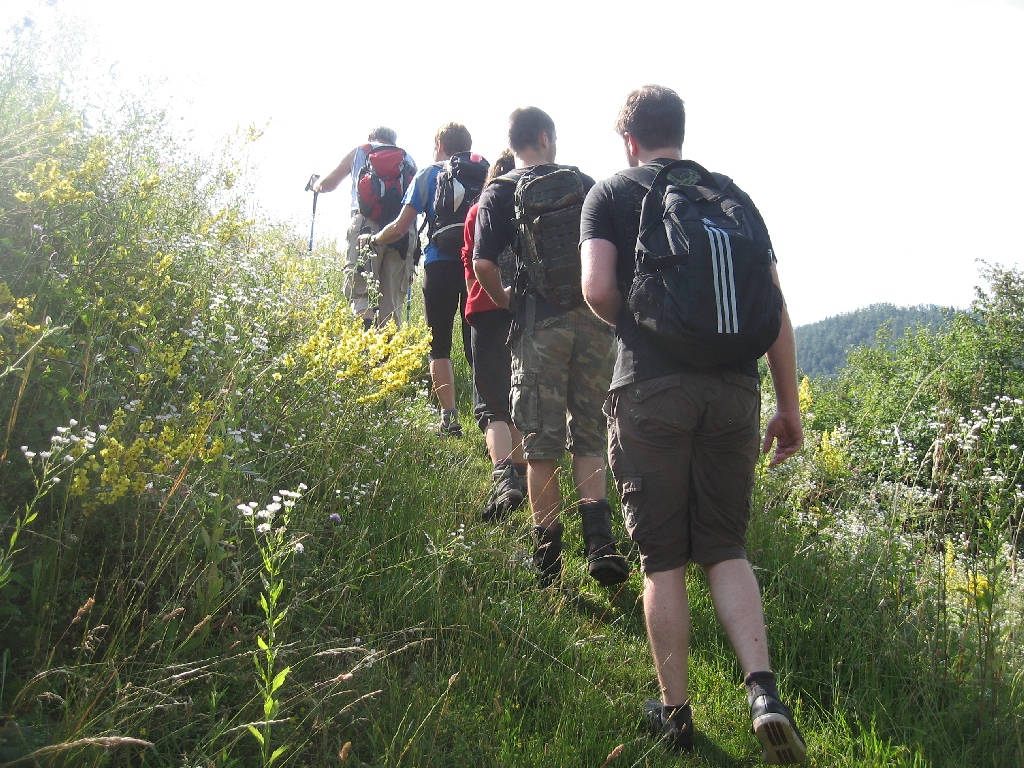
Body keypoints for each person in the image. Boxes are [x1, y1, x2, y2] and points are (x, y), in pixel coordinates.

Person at [579, 85, 806, 762]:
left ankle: (675, 715)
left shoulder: (610, 193)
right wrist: (788, 406)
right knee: (726, 548)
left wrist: (645, 329)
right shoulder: (731, 197)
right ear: (680, 131)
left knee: (663, 558)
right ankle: (763, 693)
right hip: (735, 389)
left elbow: (596, 288)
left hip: (651, 389)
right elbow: (775, 307)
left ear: (628, 139)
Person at [473, 107, 629, 588]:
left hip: (539, 326)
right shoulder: (583, 182)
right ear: (545, 137)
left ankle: (547, 562)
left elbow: (482, 265)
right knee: (590, 434)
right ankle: (600, 544)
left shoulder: (500, 191)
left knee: (541, 445)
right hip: (593, 325)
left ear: (514, 142)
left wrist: (509, 302)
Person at [360, 123, 479, 436]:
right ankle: (492, 419)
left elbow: (400, 227)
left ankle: (449, 419)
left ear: (439, 144)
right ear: (468, 146)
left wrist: (374, 239)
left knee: (439, 345)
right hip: (476, 267)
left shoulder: (428, 174)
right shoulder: (485, 171)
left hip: (440, 265)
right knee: (478, 344)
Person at [461, 149, 526, 521]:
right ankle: (522, 480)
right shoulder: (533, 209)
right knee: (519, 400)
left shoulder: (479, 210)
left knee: (491, 405)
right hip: (527, 311)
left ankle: (504, 482)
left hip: (487, 311)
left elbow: (471, 266)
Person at [313, 127, 416, 328]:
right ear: (393, 141)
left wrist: (316, 185)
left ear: (371, 137)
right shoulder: (407, 158)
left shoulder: (361, 150)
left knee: (361, 292)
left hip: (365, 226)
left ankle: (363, 342)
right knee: (392, 299)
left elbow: (328, 184)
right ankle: (387, 347)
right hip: (400, 231)